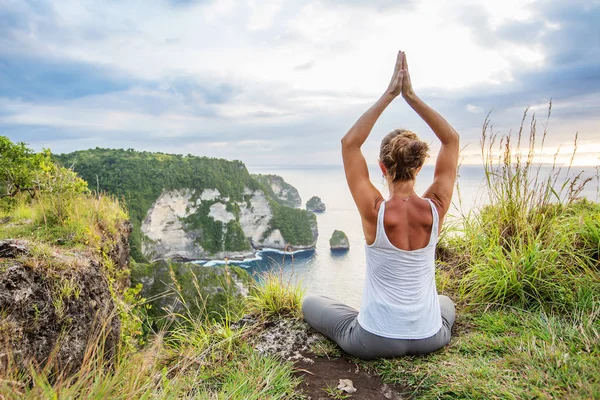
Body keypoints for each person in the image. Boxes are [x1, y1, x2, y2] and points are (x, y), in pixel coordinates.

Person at [302, 51, 459, 360]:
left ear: (382, 167)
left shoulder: (375, 211)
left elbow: (349, 144)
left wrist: (390, 94)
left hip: (374, 341)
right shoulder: (435, 207)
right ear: (420, 166)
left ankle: (373, 323)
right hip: (430, 337)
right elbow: (451, 140)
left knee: (310, 302)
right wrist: (411, 97)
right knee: (446, 303)